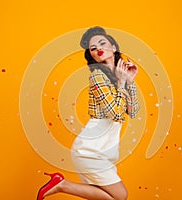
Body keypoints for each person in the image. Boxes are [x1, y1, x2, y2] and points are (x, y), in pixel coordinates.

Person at [37, 26, 140, 200]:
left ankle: (60, 184)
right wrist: (122, 84)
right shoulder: (97, 76)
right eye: (93, 48)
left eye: (102, 43)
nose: (98, 48)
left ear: (113, 47)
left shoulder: (120, 77)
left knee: (113, 198)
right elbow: (115, 113)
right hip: (89, 150)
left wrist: (129, 81)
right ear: (91, 55)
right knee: (120, 196)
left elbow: (133, 111)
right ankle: (62, 184)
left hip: (102, 150)